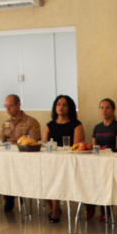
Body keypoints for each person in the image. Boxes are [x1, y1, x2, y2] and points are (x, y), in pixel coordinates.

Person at [41, 95, 84, 223]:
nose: (61, 107)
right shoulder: (49, 125)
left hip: (67, 162)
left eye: (64, 105)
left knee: (56, 176)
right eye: (59, 104)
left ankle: (55, 210)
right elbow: (43, 144)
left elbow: (77, 146)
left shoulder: (76, 125)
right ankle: (52, 208)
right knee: (40, 176)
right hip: (49, 161)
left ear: (70, 108)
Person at [0, 94, 42, 211]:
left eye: (11, 106)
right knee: (1, 168)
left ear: (19, 104)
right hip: (8, 158)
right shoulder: (5, 123)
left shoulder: (31, 122)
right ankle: (9, 196)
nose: (8, 109)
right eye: (6, 106)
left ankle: (18, 193)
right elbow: (0, 142)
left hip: (25, 158)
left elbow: (34, 143)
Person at [89, 98, 117, 222]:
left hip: (111, 162)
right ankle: (90, 206)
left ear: (113, 110)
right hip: (97, 161)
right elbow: (93, 146)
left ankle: (105, 209)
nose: (104, 110)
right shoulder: (97, 127)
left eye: (107, 107)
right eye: (101, 107)